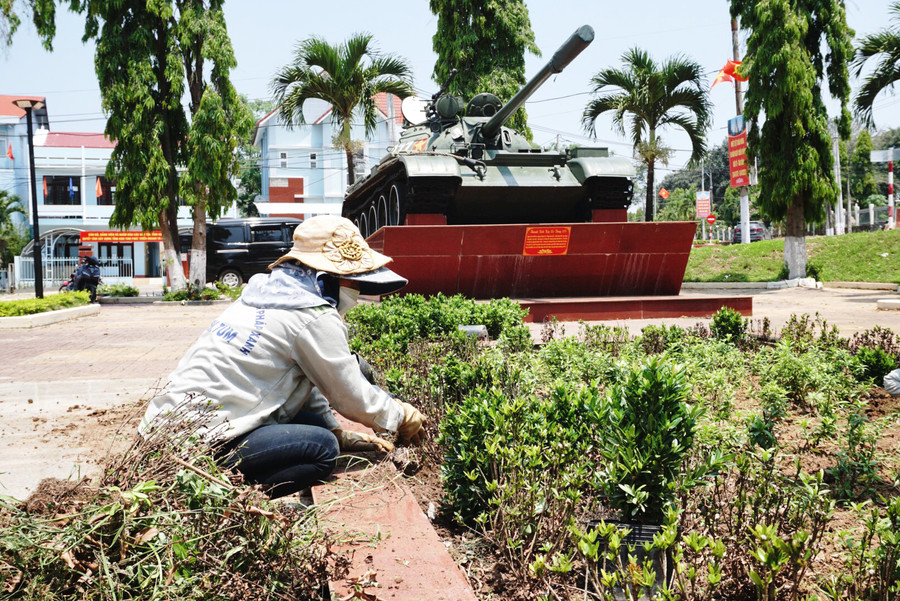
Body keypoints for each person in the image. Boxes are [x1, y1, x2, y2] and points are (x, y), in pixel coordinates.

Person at [140, 215, 427, 498]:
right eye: (353, 281)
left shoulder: (264, 294)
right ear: (327, 278)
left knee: (319, 431)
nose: (358, 290)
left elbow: (304, 380)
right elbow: (349, 394)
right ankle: (221, 494)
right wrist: (400, 415)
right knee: (321, 450)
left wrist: (334, 428)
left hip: (167, 432)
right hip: (199, 448)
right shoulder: (311, 314)